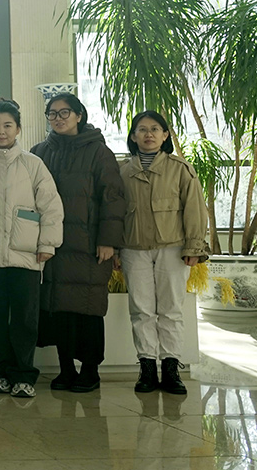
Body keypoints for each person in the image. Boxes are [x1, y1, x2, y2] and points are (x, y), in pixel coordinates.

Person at [0, 100, 64, 399]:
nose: (1, 131)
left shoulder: (33, 164)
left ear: (18, 129)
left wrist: (47, 244)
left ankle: (23, 375)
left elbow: (51, 206)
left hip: (26, 256)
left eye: (8, 125)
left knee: (24, 318)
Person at [31, 93, 126, 393]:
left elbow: (113, 198)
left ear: (79, 115)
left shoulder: (99, 152)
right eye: (52, 113)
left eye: (65, 112)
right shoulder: (39, 152)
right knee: (58, 308)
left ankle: (90, 371)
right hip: (53, 245)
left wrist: (109, 241)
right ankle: (65, 370)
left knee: (88, 308)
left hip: (88, 246)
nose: (58, 118)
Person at [119, 110, 208, 395]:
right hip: (133, 249)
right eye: (142, 129)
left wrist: (194, 247)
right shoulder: (121, 171)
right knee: (141, 310)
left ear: (165, 135)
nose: (149, 134)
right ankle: (146, 367)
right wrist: (116, 248)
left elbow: (195, 210)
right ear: (133, 136)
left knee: (171, 310)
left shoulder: (180, 169)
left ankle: (171, 369)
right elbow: (113, 213)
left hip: (173, 248)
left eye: (155, 129)